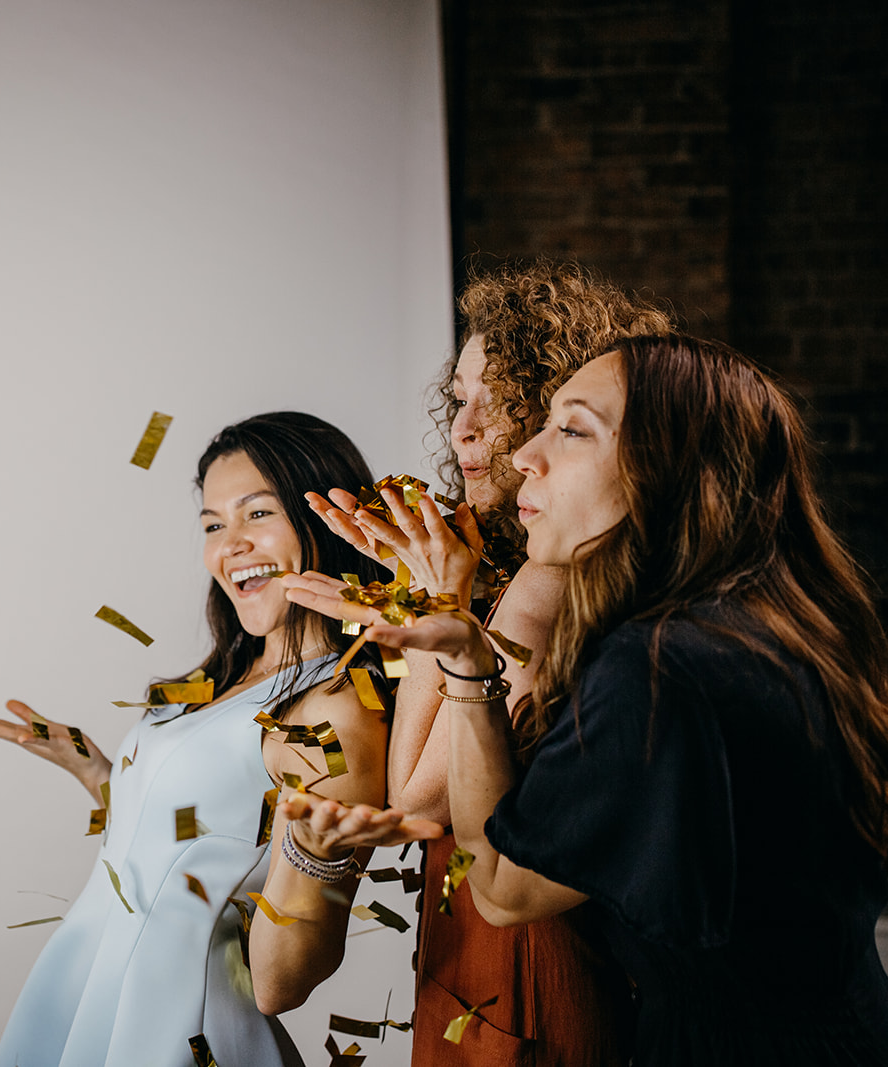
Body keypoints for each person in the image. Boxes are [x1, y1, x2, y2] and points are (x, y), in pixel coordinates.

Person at [282, 334, 888, 1065]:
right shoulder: (763, 624)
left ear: (665, 468)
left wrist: (466, 664)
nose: (524, 454)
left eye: (572, 429)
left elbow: (501, 887)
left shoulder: (657, 667)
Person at [264, 259, 669, 1063]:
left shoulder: (549, 581)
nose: (465, 428)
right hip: (478, 969)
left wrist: (427, 610)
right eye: (457, 399)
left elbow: (415, 797)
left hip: (530, 980)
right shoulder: (516, 565)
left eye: (504, 396)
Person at [0, 412, 402, 1067]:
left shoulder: (335, 706)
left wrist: (315, 853)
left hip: (181, 1030)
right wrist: (101, 774)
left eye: (257, 513)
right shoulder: (224, 676)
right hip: (95, 990)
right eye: (214, 525)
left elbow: (281, 983)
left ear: (331, 517)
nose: (232, 545)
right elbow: (191, 846)